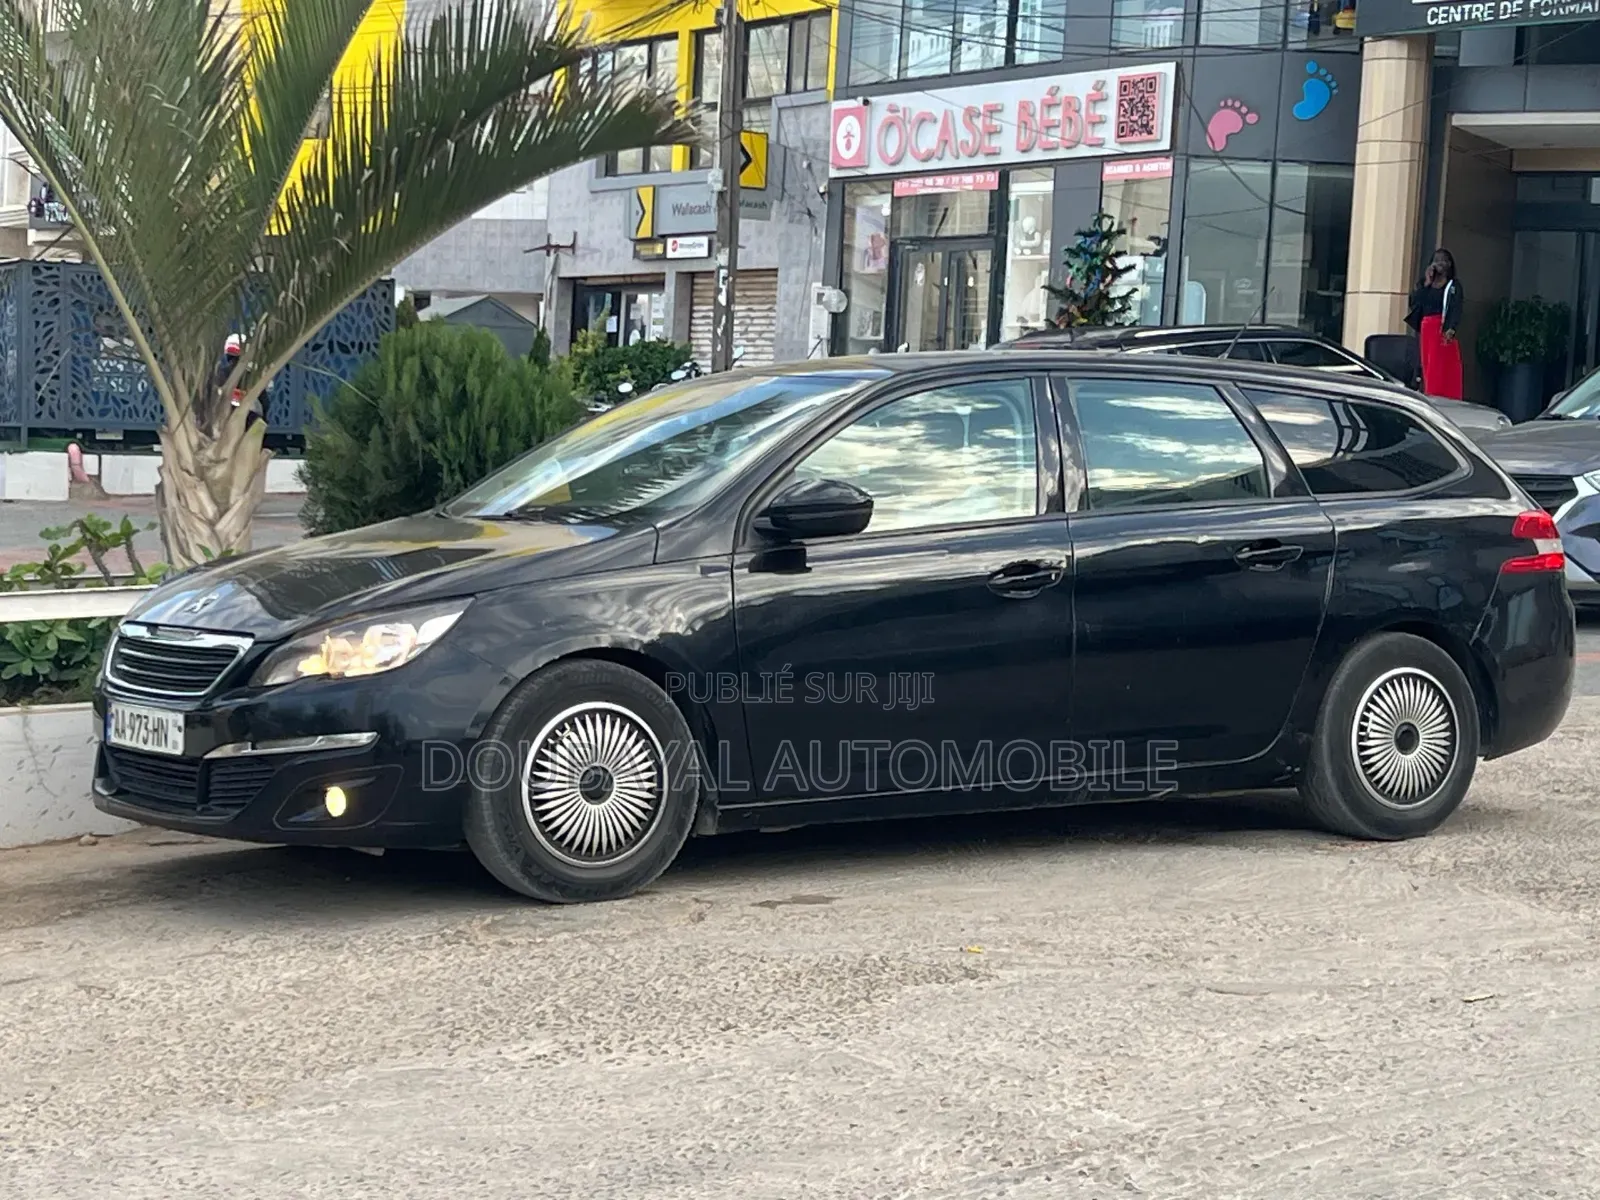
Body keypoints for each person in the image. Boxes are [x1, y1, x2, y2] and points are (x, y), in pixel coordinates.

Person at [1405, 248, 1463, 400]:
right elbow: (1414, 302)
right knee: (1428, 366)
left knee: (1443, 368)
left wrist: (1451, 328)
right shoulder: (1426, 284)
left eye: (1443, 260)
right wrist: (1427, 282)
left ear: (1449, 264)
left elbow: (1456, 308)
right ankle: (1430, 394)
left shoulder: (1453, 285)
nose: (1439, 264)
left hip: (1443, 329)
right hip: (1427, 329)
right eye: (1436, 260)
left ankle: (1446, 397)